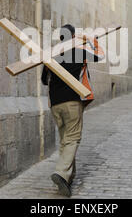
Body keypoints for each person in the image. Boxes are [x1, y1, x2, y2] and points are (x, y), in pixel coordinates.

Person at [41, 24, 105, 197]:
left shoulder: (52, 55)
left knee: (65, 140)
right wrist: (91, 41)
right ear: (74, 36)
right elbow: (100, 56)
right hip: (72, 101)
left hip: (55, 104)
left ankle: (67, 178)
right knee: (73, 138)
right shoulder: (79, 51)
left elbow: (44, 81)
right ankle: (61, 173)